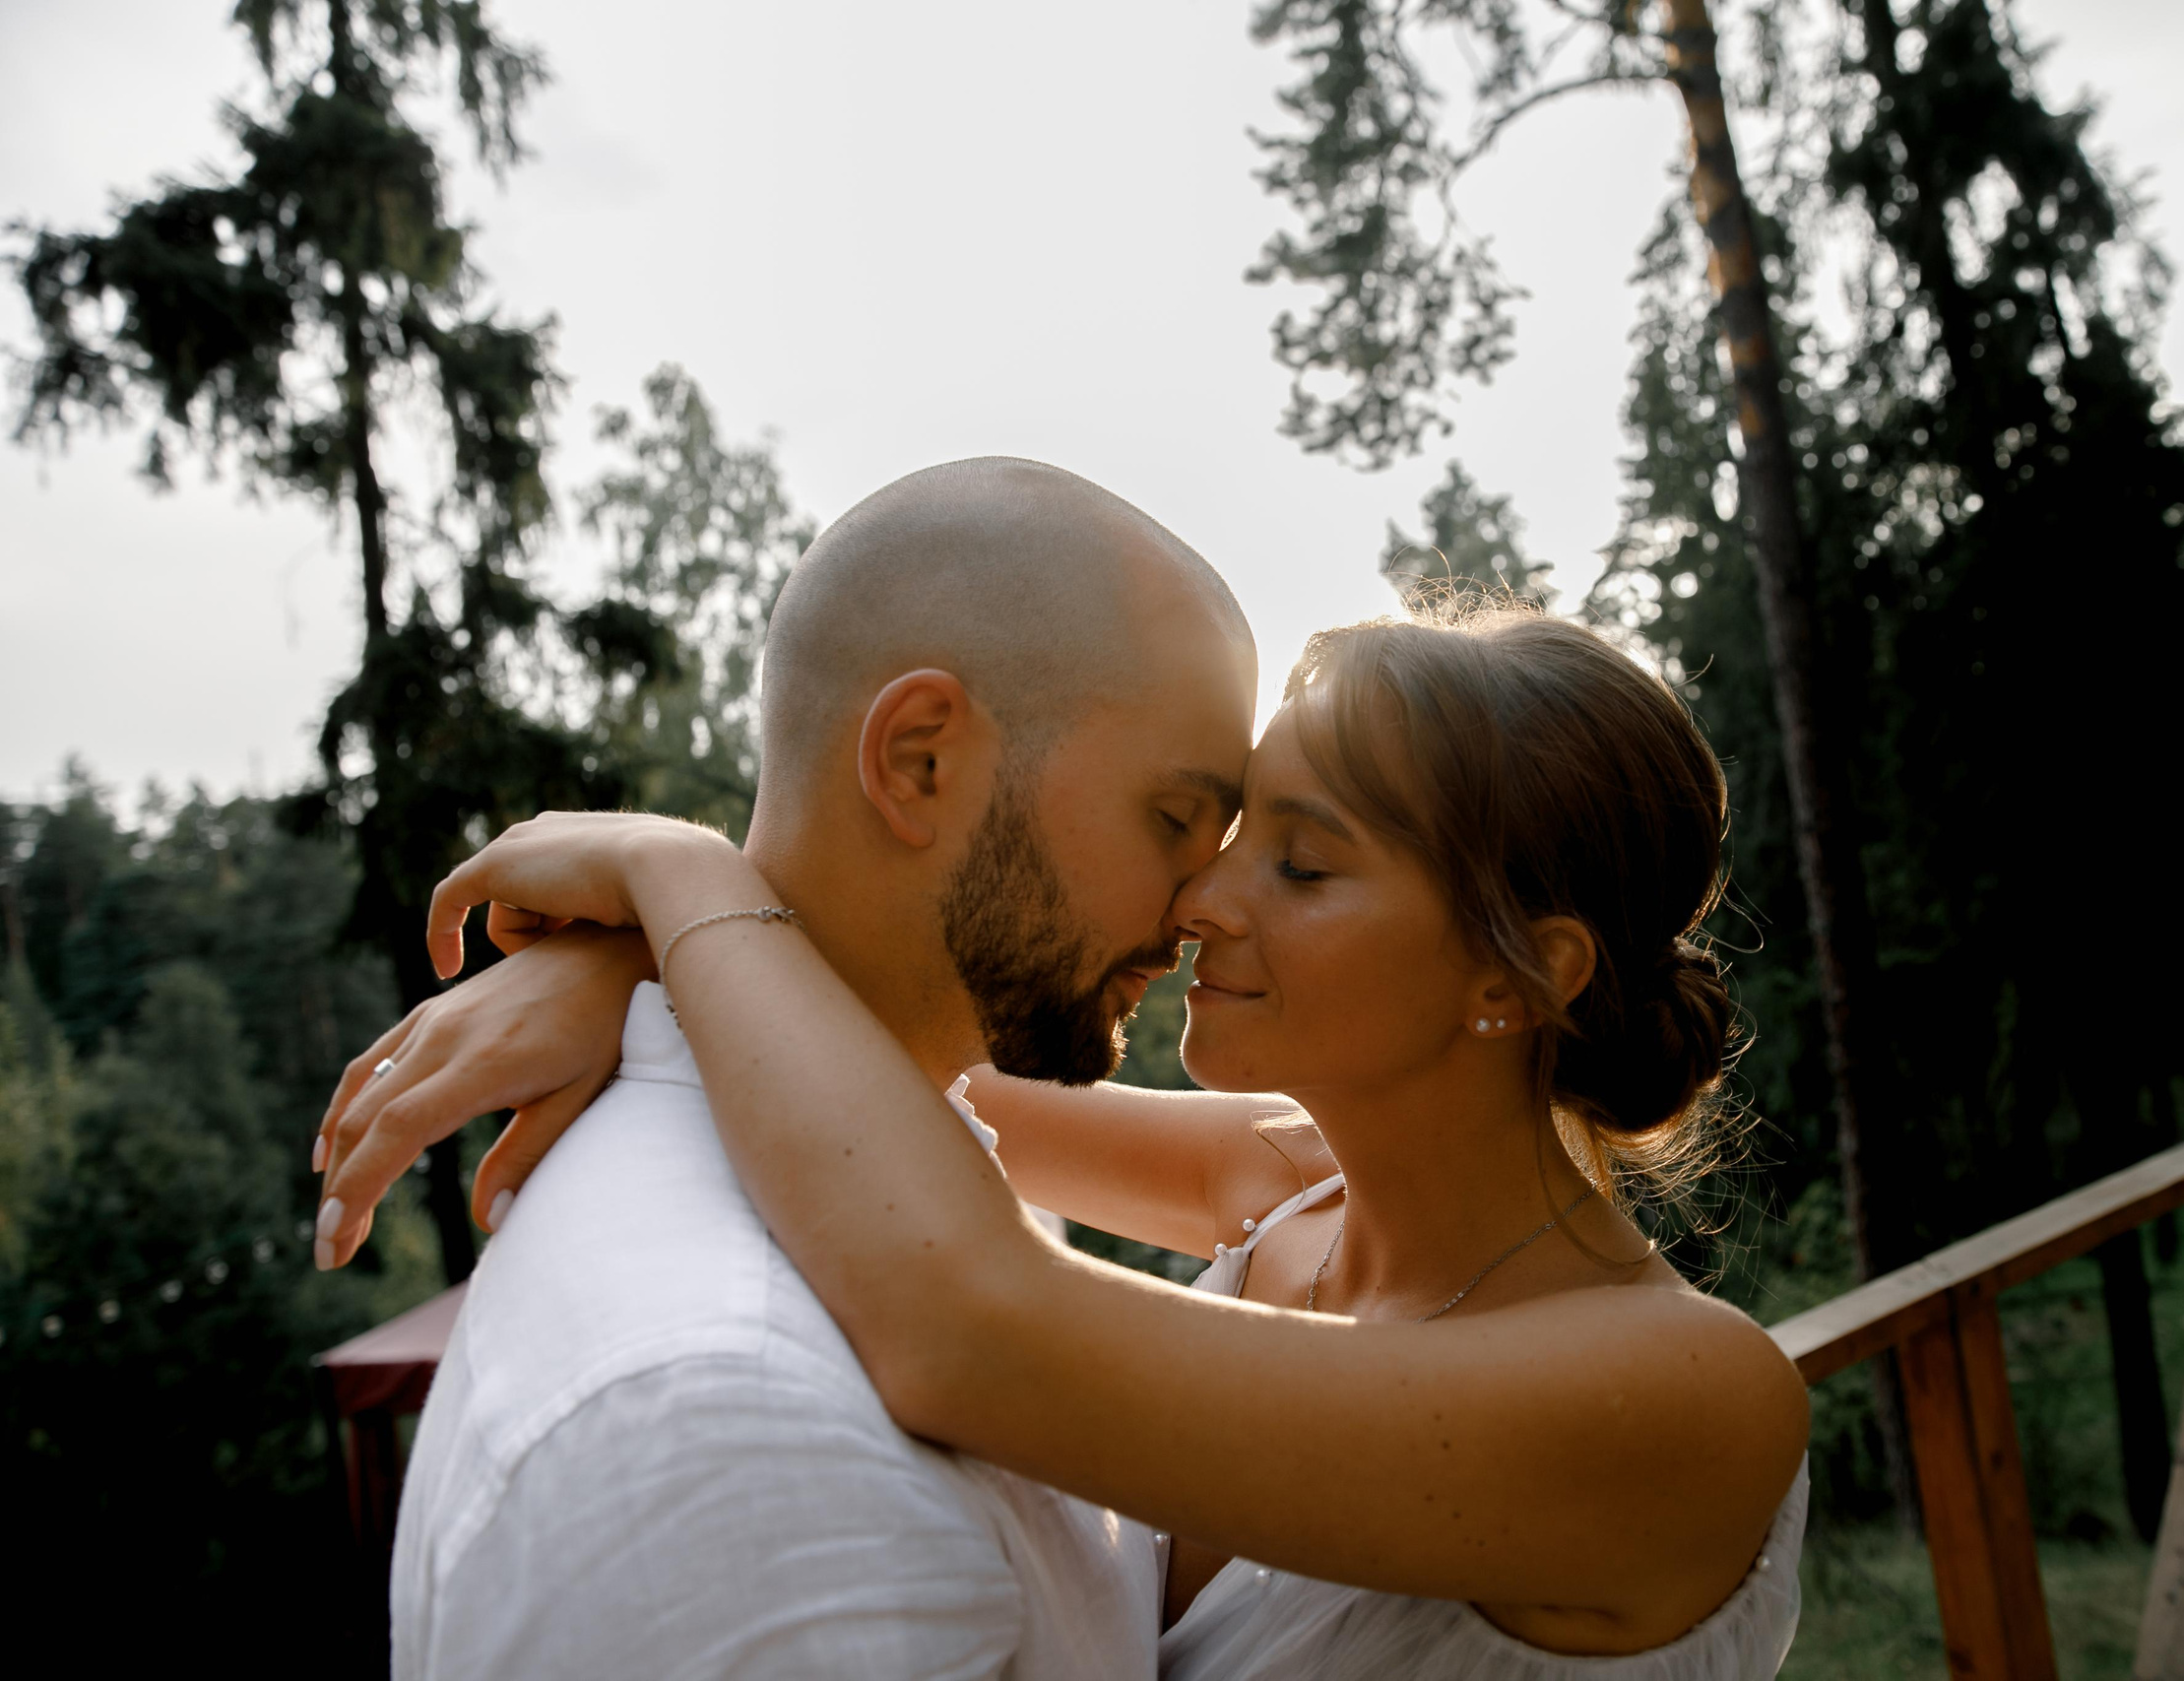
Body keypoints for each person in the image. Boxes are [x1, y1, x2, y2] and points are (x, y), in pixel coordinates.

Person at [322, 603, 1812, 1678]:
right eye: (1225, 836)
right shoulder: (1283, 1185)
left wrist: (672, 869)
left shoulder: (1691, 1401)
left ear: (1519, 973)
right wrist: (628, 972)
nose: (1202, 903)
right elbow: (891, 1050)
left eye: (1299, 862)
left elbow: (966, 1323)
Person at [350, 455, 1262, 1679]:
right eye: (1173, 820)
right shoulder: (743, 1424)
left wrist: (667, 935)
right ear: (919, 760)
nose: (1203, 904)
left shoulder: (904, 1162)